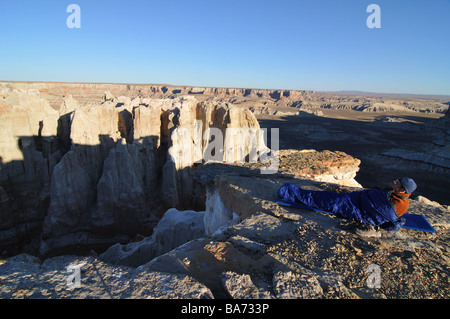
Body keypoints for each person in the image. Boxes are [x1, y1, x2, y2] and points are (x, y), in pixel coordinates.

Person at [277, 177, 417, 231]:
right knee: (324, 197)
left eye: (397, 182)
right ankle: (292, 192)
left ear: (402, 189)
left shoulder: (396, 204)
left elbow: (372, 205)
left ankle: (288, 193)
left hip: (353, 207)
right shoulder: (398, 198)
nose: (393, 181)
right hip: (354, 201)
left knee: (321, 199)